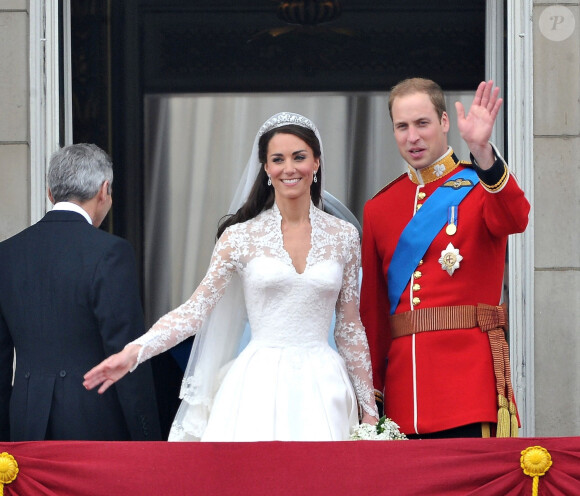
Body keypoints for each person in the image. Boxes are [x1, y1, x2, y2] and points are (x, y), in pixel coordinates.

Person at [84, 112, 379, 441]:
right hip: (259, 383)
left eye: (299, 157)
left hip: (325, 385)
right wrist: (134, 353)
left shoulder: (344, 236)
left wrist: (369, 408)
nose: (289, 168)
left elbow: (350, 326)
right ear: (266, 168)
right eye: (277, 159)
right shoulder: (239, 237)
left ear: (316, 162)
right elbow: (195, 311)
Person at [360, 79, 530, 439]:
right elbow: (373, 313)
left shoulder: (480, 185)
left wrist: (483, 153)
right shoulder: (380, 208)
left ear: (444, 122)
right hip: (405, 396)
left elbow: (516, 218)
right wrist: (372, 395)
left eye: (422, 123)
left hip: (468, 390)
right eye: (402, 127)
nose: (413, 137)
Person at [0, 143, 162, 441]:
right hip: (93, 422)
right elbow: (124, 350)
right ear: (104, 191)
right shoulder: (111, 252)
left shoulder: (6, 254)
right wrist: (147, 436)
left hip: (24, 422)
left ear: (50, 193)